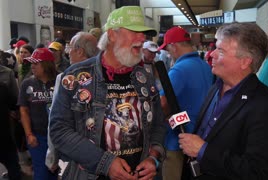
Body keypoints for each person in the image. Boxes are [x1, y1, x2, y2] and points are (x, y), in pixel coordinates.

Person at [49, 6, 166, 180]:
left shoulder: (145, 78)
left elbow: (157, 126)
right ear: (111, 34)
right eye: (134, 31)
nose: (142, 38)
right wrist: (105, 162)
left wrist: (153, 158)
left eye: (144, 34)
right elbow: (59, 130)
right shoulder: (75, 77)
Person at [178, 22, 268, 179]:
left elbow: (258, 172)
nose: (211, 54)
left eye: (220, 51)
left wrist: (203, 151)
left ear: (245, 61)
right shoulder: (215, 87)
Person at [157, 26, 213, 180]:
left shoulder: (179, 70)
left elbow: (162, 104)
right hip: (201, 135)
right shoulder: (205, 66)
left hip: (178, 139)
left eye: (168, 49)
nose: (168, 53)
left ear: (173, 46)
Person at [45, 31, 99, 172]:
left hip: (72, 154)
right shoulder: (103, 77)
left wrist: (52, 156)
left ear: (80, 51)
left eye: (71, 48)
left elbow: (55, 122)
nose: (68, 52)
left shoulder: (66, 78)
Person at [18, 48, 58, 180]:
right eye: (31, 63)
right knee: (41, 174)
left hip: (60, 136)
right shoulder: (27, 83)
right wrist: (29, 134)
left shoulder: (61, 80)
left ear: (46, 65)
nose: (32, 66)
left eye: (36, 63)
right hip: (38, 137)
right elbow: (23, 110)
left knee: (60, 172)